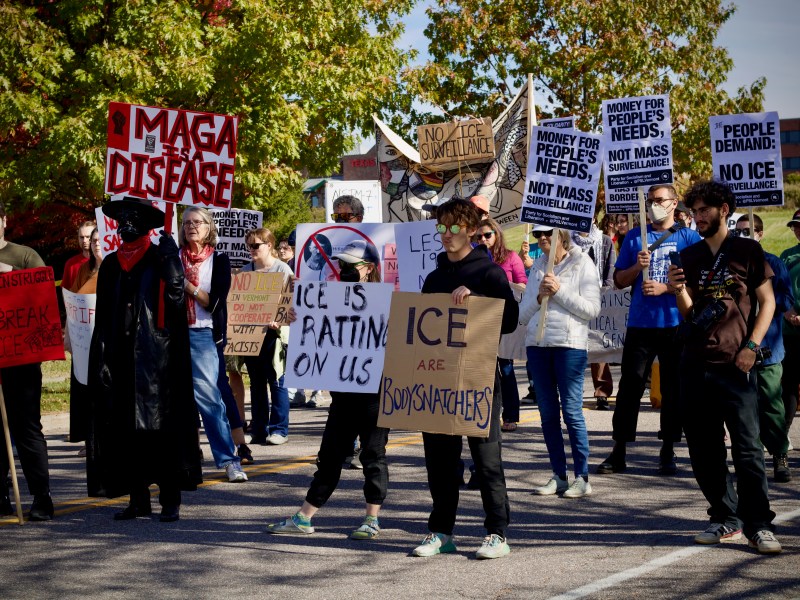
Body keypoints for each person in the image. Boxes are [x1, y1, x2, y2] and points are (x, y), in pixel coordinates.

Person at [668, 179, 781, 555]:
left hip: (735, 364)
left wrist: (752, 346)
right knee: (703, 449)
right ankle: (724, 516)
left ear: (723, 211)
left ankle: (759, 524)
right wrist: (678, 289)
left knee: (747, 449)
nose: (697, 217)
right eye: (694, 211)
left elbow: (768, 303)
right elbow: (690, 313)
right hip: (694, 362)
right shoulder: (690, 255)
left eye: (704, 210)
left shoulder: (748, 250)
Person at [411, 199, 518, 560]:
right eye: (441, 227)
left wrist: (477, 302)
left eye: (454, 227)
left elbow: (510, 321)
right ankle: (441, 531)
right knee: (440, 461)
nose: (446, 235)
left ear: (472, 230)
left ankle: (497, 533)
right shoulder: (435, 277)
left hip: (478, 379)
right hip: (439, 380)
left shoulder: (489, 274)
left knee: (486, 460)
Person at [87, 197, 202, 522]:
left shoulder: (159, 257)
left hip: (158, 362)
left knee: (161, 433)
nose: (124, 224)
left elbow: (177, 300)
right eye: (121, 218)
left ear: (145, 225)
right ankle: (138, 500)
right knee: (128, 432)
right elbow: (104, 315)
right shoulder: (110, 264)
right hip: (122, 360)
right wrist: (102, 357)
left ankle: (170, 500)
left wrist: (171, 265)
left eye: (131, 218)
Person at [267, 239, 389, 540]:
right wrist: (296, 317)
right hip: (344, 393)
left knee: (373, 455)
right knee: (330, 455)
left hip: (374, 393)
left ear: (369, 268)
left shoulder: (386, 301)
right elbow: (312, 329)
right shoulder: (327, 298)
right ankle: (304, 517)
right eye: (341, 265)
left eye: (350, 266)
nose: (343, 270)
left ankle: (371, 519)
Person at [597, 184, 701, 476]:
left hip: (675, 324)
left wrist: (666, 288)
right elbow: (618, 280)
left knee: (672, 390)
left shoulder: (688, 238)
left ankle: (668, 449)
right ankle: (619, 450)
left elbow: (697, 284)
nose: (654, 205)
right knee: (629, 388)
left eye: (659, 200)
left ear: (674, 203)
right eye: (650, 201)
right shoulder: (635, 237)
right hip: (640, 325)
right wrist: (636, 267)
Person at [521, 226, 601, 498]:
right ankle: (559, 474)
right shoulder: (537, 267)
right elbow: (523, 314)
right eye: (537, 235)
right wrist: (540, 296)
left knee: (571, 411)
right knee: (547, 414)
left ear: (561, 235)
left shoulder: (582, 262)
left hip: (569, 346)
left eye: (547, 233)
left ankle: (583, 476)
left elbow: (592, 309)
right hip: (538, 345)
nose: (542, 238)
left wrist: (559, 291)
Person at [179, 207, 248, 483]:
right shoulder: (174, 257)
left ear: (209, 228)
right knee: (177, 401)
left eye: (197, 222)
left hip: (202, 334)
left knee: (209, 399)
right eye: (186, 223)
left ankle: (229, 459)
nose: (191, 227)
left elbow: (214, 302)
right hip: (173, 336)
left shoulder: (219, 260)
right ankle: (184, 458)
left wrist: (188, 286)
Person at [0, 202, 54, 521]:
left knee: (27, 428)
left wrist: (10, 273)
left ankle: (41, 497)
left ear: (4, 220)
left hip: (21, 360)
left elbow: (43, 293)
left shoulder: (24, 255)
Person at [735, 214, 793, 483]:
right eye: (738, 231)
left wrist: (763, 293)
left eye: (748, 231)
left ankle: (779, 454)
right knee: (744, 408)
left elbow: (784, 300)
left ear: (760, 233)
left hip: (768, 347)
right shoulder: (731, 262)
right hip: (737, 348)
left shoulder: (773, 262)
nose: (743, 235)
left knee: (771, 405)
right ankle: (751, 456)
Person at [474, 217, 527, 432]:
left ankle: (511, 415)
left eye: (488, 235)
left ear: (497, 234)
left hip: (504, 322)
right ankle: (485, 416)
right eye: (479, 237)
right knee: (482, 372)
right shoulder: (473, 259)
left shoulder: (511, 257)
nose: (483, 239)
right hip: (480, 324)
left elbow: (522, 284)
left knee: (506, 370)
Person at [241, 227, 293, 445]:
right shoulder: (246, 271)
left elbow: (290, 302)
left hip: (275, 335)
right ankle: (259, 428)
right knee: (256, 383)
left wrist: (278, 320)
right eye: (249, 246)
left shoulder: (283, 270)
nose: (251, 250)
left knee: (278, 381)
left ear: (269, 245)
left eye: (255, 245)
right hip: (252, 333)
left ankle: (279, 429)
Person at [570, 222, 616, 410]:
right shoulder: (567, 241)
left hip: (598, 297)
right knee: (574, 345)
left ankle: (602, 392)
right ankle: (573, 391)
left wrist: (604, 293)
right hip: (572, 298)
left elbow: (610, 270)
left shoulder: (604, 241)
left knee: (597, 345)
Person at [67, 228, 103, 460]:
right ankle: (92, 441)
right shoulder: (83, 270)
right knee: (88, 392)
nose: (94, 244)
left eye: (100, 240)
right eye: (93, 240)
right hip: (85, 339)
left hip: (108, 340)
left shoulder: (118, 268)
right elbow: (75, 300)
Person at [780, 208, 800, 459]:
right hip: (789, 333)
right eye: (794, 225)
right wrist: (788, 311)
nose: (797, 229)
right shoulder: (786, 256)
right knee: (787, 390)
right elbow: (778, 289)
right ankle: (780, 442)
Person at [61, 220, 95, 292]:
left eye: (88, 236)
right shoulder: (70, 264)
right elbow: (66, 292)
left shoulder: (105, 261)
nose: (84, 240)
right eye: (81, 237)